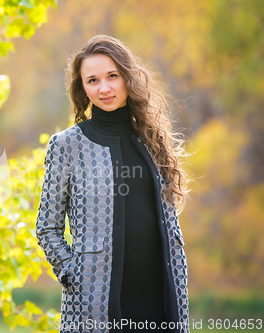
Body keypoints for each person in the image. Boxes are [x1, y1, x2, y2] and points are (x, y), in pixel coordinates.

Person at [35, 35, 193, 333]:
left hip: (161, 296)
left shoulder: (152, 139)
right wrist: (73, 274)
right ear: (82, 88)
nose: (104, 88)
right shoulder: (67, 145)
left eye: (112, 76)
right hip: (95, 300)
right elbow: (47, 227)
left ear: (127, 78)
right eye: (92, 80)